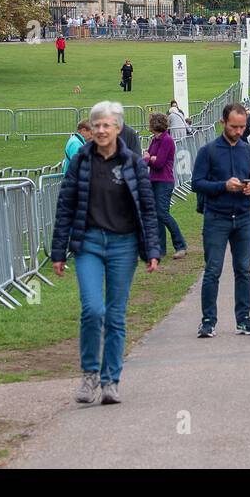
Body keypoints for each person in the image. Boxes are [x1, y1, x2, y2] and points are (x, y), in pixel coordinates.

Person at [51, 101, 161, 404]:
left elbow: (147, 209)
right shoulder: (81, 162)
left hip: (123, 245)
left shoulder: (133, 163)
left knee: (114, 315)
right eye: (96, 124)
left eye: (107, 125)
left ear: (118, 128)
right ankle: (88, 376)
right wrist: (58, 250)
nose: (101, 130)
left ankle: (110, 379)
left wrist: (153, 248)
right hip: (88, 244)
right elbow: (65, 207)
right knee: (92, 310)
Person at [191, 103, 250, 338]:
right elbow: (197, 183)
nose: (239, 131)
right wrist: (223, 186)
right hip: (217, 218)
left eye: (242, 127)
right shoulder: (208, 151)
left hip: (243, 217)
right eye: (234, 127)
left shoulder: (249, 151)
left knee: (243, 270)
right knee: (213, 270)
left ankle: (243, 319)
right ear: (223, 123)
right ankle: (208, 321)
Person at [145, 113, 187, 259]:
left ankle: (180, 245)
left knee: (162, 213)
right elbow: (147, 159)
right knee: (157, 216)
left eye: (150, 122)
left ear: (155, 124)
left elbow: (159, 163)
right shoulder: (154, 140)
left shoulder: (167, 140)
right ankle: (160, 249)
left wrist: (150, 158)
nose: (148, 125)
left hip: (164, 181)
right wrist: (150, 158)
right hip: (154, 180)